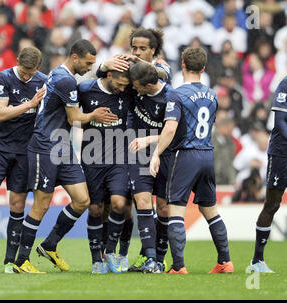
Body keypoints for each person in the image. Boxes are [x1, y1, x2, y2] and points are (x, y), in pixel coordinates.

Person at [13, 39, 118, 274]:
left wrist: (103, 68)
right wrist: (94, 115)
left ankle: (50, 245)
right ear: (75, 57)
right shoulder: (65, 80)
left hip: (62, 146)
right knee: (41, 205)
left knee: (82, 200)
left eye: (94, 63)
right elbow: (73, 119)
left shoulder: (63, 74)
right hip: (45, 146)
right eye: (88, 63)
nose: (90, 68)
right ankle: (21, 261)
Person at [149, 47, 234, 274]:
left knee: (176, 211)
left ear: (183, 65)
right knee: (211, 211)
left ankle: (178, 267)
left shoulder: (176, 95)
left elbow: (170, 129)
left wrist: (156, 153)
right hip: (207, 153)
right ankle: (225, 261)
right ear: (203, 68)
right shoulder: (213, 94)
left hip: (185, 156)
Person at [97, 27, 172, 272]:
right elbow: (97, 81)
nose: (137, 52)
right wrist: (103, 66)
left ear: (153, 50)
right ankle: (130, 254)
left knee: (162, 206)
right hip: (132, 144)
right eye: (134, 48)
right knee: (130, 201)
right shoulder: (125, 68)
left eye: (142, 48)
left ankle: (156, 256)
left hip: (161, 145)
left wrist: (139, 63)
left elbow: (162, 73)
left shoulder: (161, 67)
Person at [0, 47, 47, 274]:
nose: (26, 77)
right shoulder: (3, 77)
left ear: (38, 68)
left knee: (17, 205)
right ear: (17, 62)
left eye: (30, 73)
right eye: (24, 72)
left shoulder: (44, 82)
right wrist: (29, 104)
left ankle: (9, 260)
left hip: (25, 152)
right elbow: (1, 113)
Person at [79, 68, 132, 274]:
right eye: (119, 84)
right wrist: (90, 116)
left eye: (125, 85)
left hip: (119, 158)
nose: (122, 89)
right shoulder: (85, 89)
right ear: (109, 76)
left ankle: (110, 250)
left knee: (119, 204)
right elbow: (70, 112)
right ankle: (96, 259)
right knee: (95, 209)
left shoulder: (128, 91)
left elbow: (161, 78)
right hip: (92, 159)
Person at [126, 61, 172, 273]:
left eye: (136, 86)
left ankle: (160, 259)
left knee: (163, 208)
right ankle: (150, 258)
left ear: (149, 85)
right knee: (143, 201)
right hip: (138, 155)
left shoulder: (171, 98)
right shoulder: (137, 89)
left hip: (164, 156)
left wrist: (149, 139)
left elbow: (177, 133)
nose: (132, 89)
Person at [249, 76, 287, 273]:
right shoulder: (285, 84)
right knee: (272, 204)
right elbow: (280, 122)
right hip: (281, 153)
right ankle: (257, 260)